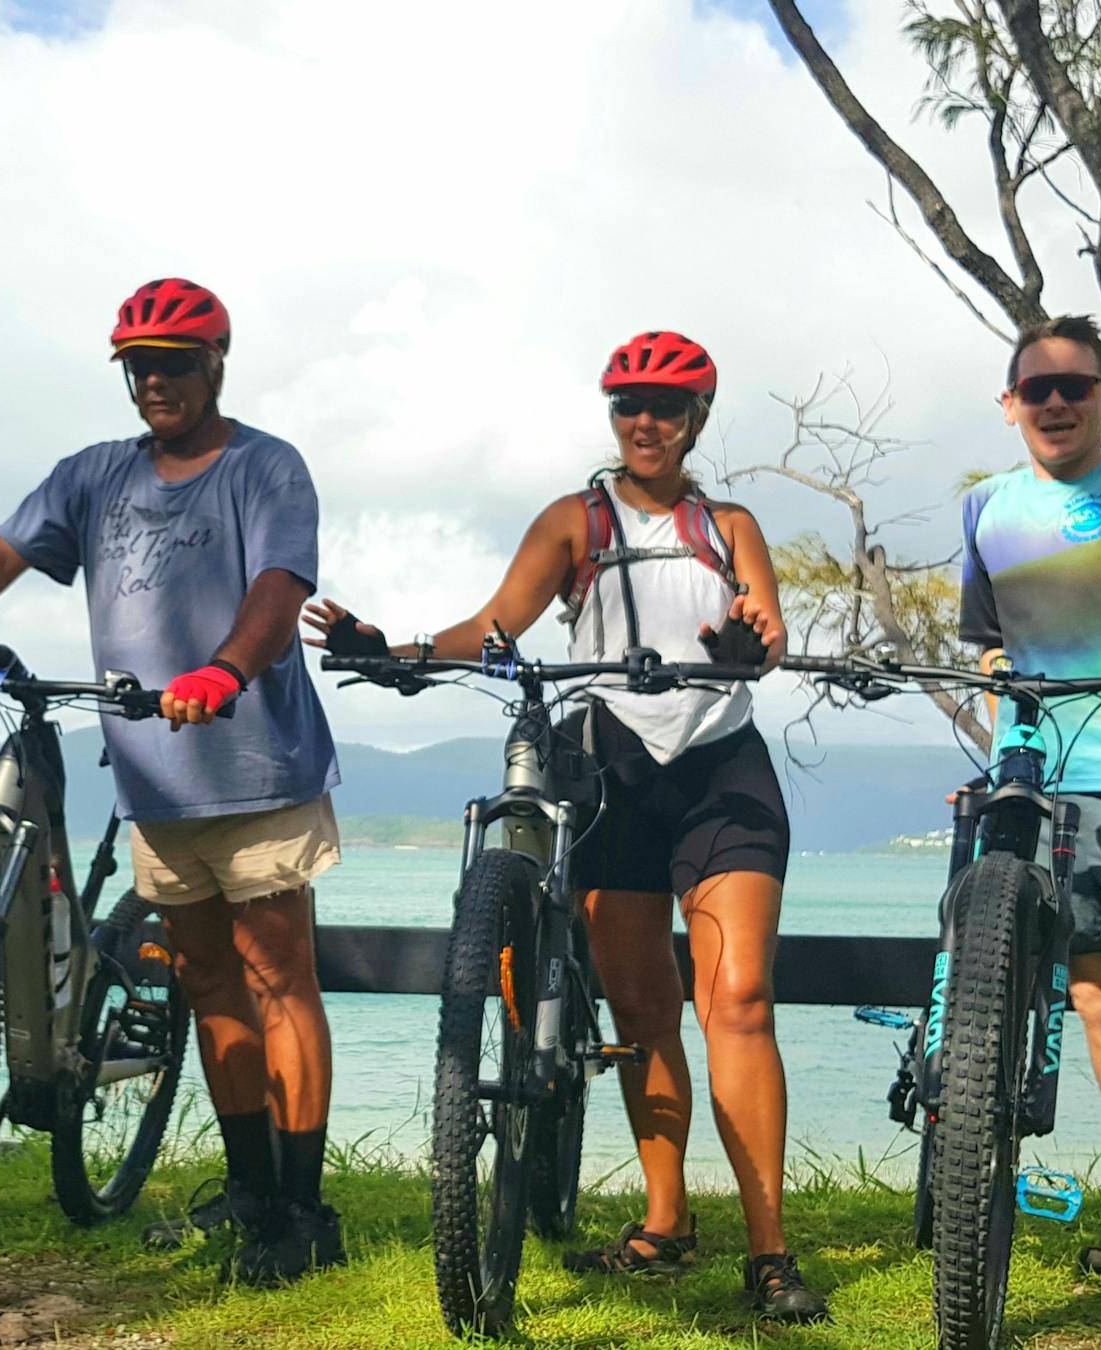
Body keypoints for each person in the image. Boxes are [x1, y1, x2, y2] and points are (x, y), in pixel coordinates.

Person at [306, 330, 828, 1322]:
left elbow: (768, 627)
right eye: (628, 403)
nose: (646, 421)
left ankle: (770, 1253)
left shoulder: (728, 524)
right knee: (642, 1011)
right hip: (610, 769)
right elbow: (496, 625)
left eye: (667, 407)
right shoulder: (575, 522)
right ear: (612, 413)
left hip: (722, 771)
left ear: (697, 420)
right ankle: (666, 1225)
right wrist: (396, 651)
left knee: (744, 999)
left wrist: (745, 638)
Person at [0, 278, 345, 1285]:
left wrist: (226, 669)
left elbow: (280, 591)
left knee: (280, 977)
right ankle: (250, 1193)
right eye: (138, 366)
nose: (155, 381)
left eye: (175, 362)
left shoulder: (264, 466)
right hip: (154, 776)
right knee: (208, 985)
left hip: (256, 766)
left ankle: (300, 1209)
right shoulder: (94, 476)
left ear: (217, 363)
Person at [960, 313, 1101, 1275]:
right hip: (1045, 781)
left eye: (1076, 386)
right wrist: (1001, 679)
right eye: (1036, 389)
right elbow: (985, 637)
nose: (1056, 402)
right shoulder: (983, 508)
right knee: (1100, 999)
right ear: (1007, 405)